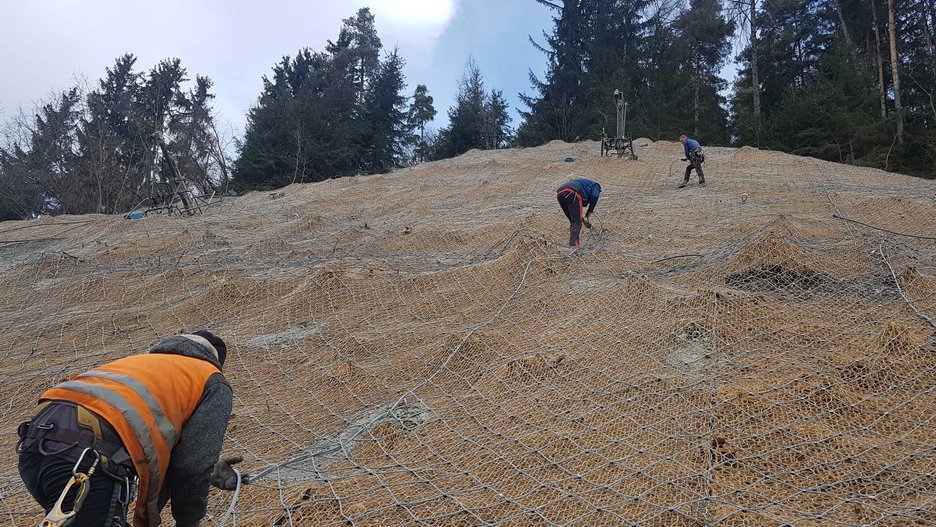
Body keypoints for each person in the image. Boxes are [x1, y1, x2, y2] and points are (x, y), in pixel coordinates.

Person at [16, 330, 238, 527]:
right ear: (216, 361)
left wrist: (209, 472)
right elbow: (192, 466)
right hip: (89, 457)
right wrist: (188, 521)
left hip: (35, 445)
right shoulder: (211, 379)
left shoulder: (141, 363)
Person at [556, 178, 601, 249]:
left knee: (573, 220)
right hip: (573, 192)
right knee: (576, 222)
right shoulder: (596, 186)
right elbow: (595, 196)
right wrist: (588, 214)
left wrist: (583, 220)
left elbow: (575, 213)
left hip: (560, 193)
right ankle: (574, 247)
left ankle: (573, 244)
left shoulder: (582, 184)